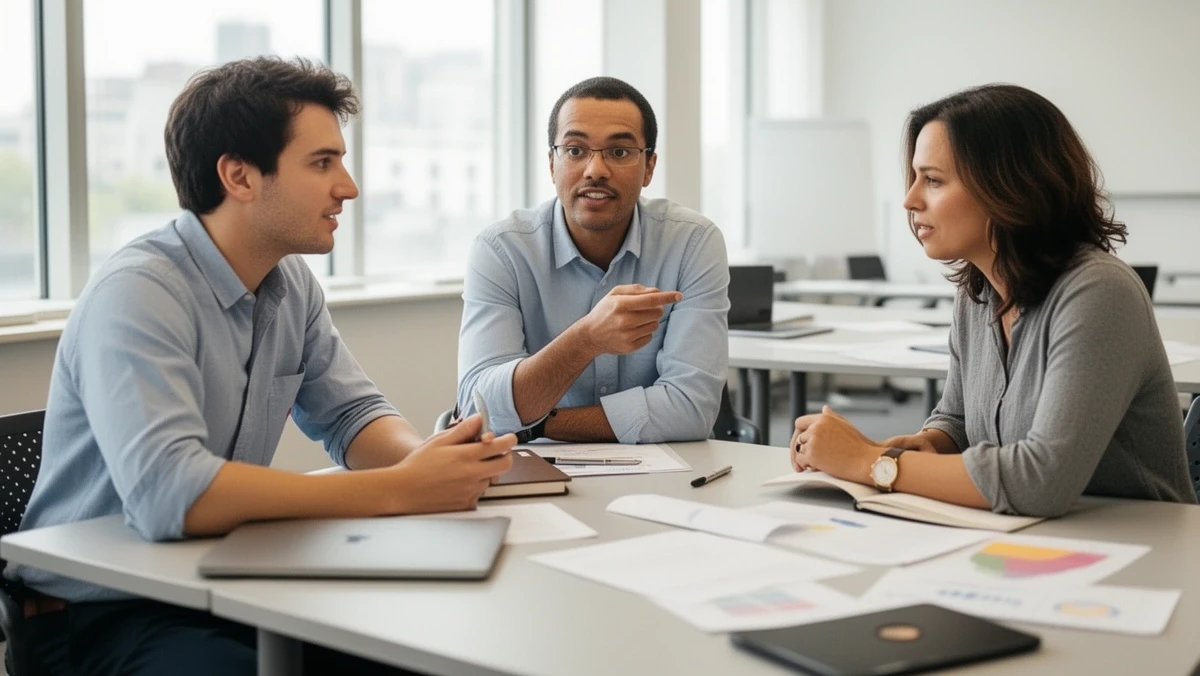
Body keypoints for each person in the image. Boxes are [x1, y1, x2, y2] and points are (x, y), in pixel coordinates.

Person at [8, 57, 515, 675]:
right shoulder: (139, 292)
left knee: (423, 652)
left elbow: (353, 414)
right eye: (322, 163)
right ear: (239, 176)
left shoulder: (289, 282)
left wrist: (429, 463)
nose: (348, 187)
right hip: (98, 614)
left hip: (220, 577)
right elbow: (171, 495)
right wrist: (399, 490)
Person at [790, 83, 1195, 517]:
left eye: (932, 180)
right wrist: (926, 444)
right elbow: (958, 421)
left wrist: (869, 462)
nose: (910, 199)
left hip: (1142, 547)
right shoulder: (977, 293)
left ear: (1006, 187)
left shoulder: (1100, 292)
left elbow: (1040, 482)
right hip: (1031, 539)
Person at [457, 76, 729, 444]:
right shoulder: (501, 251)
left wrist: (536, 424)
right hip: (531, 468)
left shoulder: (692, 243)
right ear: (551, 164)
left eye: (619, 152)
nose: (595, 170)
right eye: (575, 150)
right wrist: (586, 339)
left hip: (669, 470)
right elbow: (480, 409)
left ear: (649, 167)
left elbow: (691, 409)